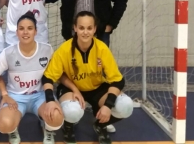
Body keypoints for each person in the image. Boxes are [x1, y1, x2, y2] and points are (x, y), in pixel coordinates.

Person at [42, 11, 133, 144]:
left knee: (125, 106)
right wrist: (49, 100)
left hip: (97, 88)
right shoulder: (64, 49)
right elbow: (48, 78)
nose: (85, 32)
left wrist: (108, 105)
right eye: (81, 28)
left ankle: (100, 125)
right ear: (75, 28)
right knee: (72, 112)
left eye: (89, 28)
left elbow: (118, 80)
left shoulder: (101, 48)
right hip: (72, 90)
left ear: (95, 29)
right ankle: (68, 127)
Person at [0, 11, 63, 144]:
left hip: (40, 96)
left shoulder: (47, 50)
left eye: (30, 28)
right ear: (16, 32)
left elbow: (57, 74)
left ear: (36, 31)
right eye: (21, 29)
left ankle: (46, 127)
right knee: (4, 124)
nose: (25, 32)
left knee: (56, 117)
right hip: (16, 98)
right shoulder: (8, 53)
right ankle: (13, 129)